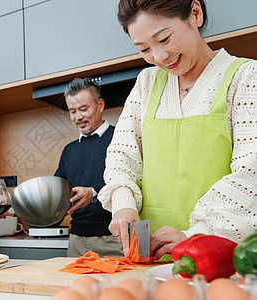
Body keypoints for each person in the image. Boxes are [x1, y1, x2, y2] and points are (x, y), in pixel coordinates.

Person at [98, 0, 257, 260]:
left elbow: (252, 172)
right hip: (152, 259)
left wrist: (196, 233)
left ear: (195, 14)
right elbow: (122, 155)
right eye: (144, 49)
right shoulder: (146, 83)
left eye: (164, 39)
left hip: (217, 258)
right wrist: (123, 206)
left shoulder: (246, 77)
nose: (159, 57)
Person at [55, 77, 123, 257]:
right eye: (72, 111)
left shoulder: (121, 139)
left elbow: (136, 182)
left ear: (100, 105)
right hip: (76, 240)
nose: (78, 117)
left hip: (114, 239)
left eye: (83, 109)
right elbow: (56, 193)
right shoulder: (69, 151)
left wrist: (93, 192)